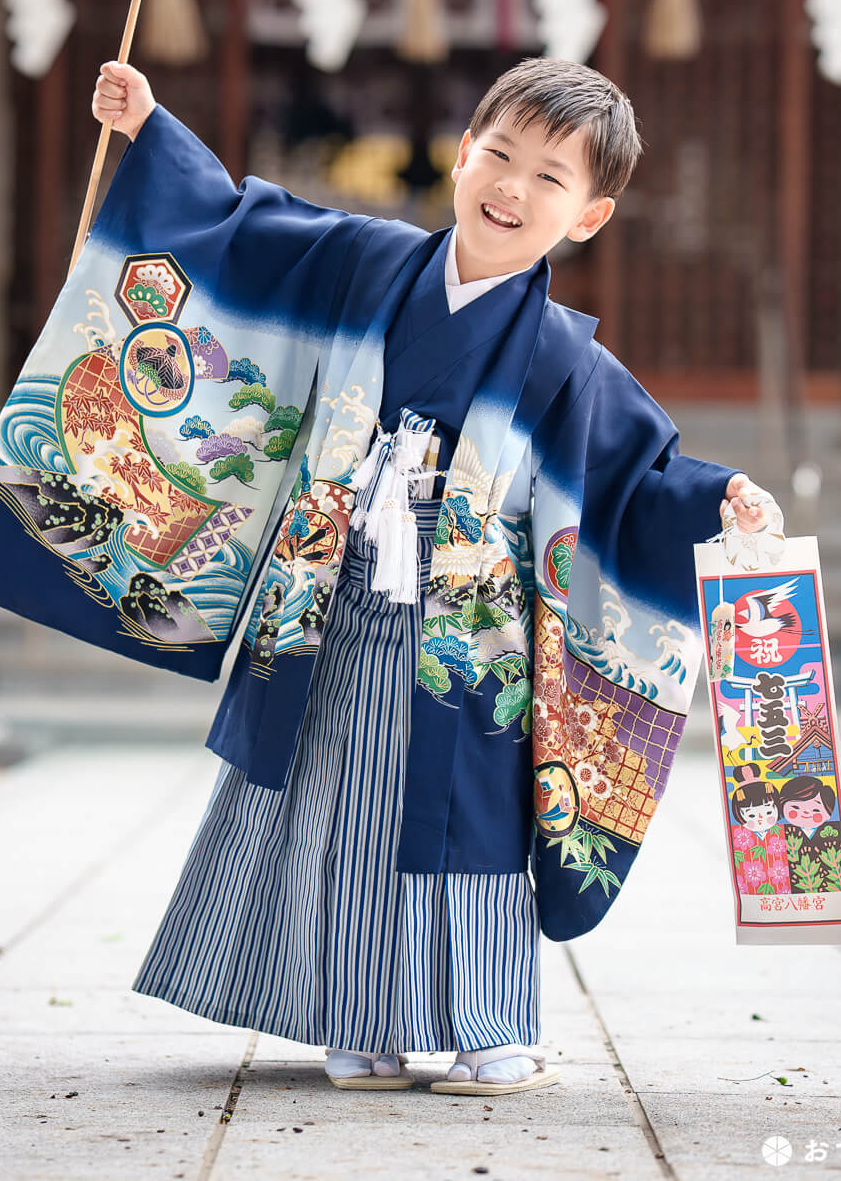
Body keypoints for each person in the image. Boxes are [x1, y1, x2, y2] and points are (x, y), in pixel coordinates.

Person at [78, 56, 778, 1094]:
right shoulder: (362, 266)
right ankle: (355, 1020)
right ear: (459, 156)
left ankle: (487, 1021)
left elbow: (641, 478)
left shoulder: (563, 359)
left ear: (587, 216)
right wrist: (152, 130)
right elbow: (237, 228)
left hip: (471, 634)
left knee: (472, 810)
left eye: (550, 177)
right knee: (334, 793)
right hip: (330, 595)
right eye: (498, 154)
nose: (512, 185)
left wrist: (718, 501)